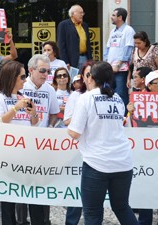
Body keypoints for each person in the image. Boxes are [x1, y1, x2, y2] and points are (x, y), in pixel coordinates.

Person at [67, 61, 138, 225]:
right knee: (122, 207)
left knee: (92, 213)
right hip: (123, 163)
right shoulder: (118, 98)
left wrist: (69, 129)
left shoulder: (86, 98)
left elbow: (75, 133)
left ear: (90, 78)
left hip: (96, 164)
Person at [0, 60, 42, 225]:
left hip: (27, 154)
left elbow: (35, 124)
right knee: (9, 199)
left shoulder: (23, 97)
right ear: (12, 77)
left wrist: (34, 114)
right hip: (7, 155)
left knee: (34, 196)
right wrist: (15, 108)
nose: (25, 80)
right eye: (22, 76)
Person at [127, 70, 158, 224]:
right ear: (149, 86)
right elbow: (127, 128)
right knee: (146, 193)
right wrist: (129, 113)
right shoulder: (136, 103)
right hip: (145, 156)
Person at [21, 54, 60, 225]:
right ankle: (21, 220)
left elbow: (54, 113)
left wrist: (51, 127)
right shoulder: (21, 86)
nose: (46, 74)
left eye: (48, 71)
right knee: (22, 185)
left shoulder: (50, 89)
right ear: (31, 70)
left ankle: (43, 220)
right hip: (21, 143)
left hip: (42, 143)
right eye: (42, 70)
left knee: (42, 184)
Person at [63, 61, 92, 225]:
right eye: (87, 74)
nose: (90, 78)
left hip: (95, 150)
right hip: (77, 148)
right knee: (76, 187)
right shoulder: (76, 95)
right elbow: (67, 121)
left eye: (92, 74)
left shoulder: (107, 95)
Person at [104, 7, 135, 112]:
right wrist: (106, 63)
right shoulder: (113, 31)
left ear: (120, 17)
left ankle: (123, 117)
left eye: (113, 15)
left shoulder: (128, 30)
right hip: (110, 68)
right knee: (109, 93)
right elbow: (108, 48)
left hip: (121, 69)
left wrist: (119, 64)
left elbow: (129, 48)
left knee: (121, 93)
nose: (111, 17)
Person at [57, 4, 93, 72]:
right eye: (80, 12)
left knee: (85, 80)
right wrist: (65, 61)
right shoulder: (63, 25)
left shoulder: (84, 25)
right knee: (74, 80)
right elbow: (61, 45)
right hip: (72, 60)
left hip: (85, 58)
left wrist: (90, 60)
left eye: (83, 13)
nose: (82, 14)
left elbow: (88, 43)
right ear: (73, 14)